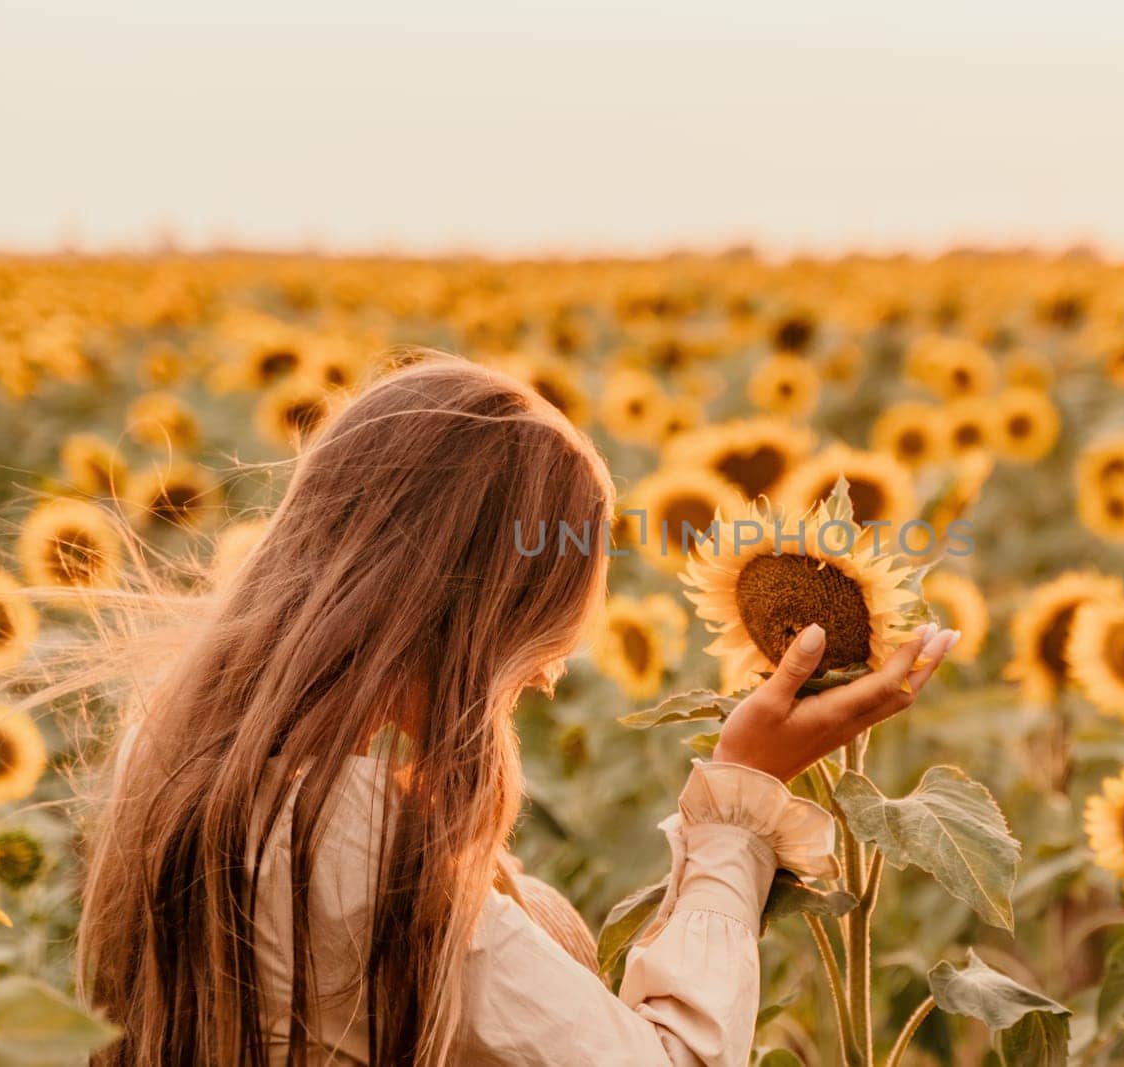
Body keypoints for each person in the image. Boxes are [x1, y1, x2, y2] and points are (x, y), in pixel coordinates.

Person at [77, 354, 959, 1065]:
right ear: (466, 618)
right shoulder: (352, 842)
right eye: (534, 652)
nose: (540, 682)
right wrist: (741, 804)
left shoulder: (179, 761)